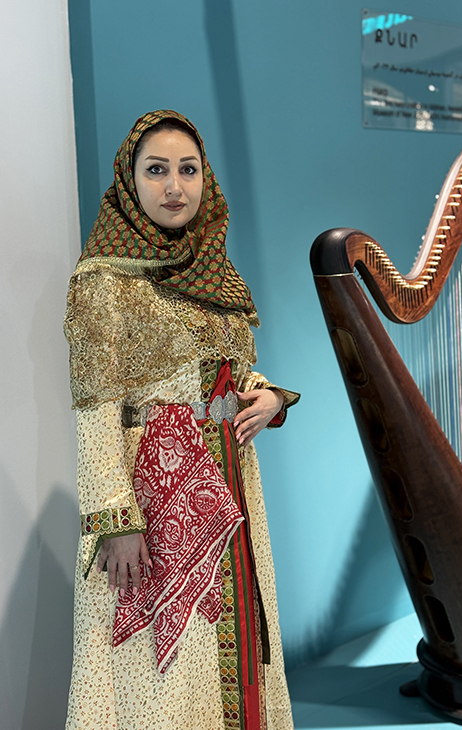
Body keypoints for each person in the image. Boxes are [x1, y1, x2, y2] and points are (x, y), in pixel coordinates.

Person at [64, 109, 299, 730]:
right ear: (129, 180)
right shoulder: (103, 283)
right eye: (157, 170)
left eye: (188, 170)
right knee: (159, 672)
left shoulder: (214, 272)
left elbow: (229, 373)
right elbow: (95, 409)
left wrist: (269, 397)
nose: (175, 186)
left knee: (227, 646)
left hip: (228, 485)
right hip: (153, 499)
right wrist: (115, 521)